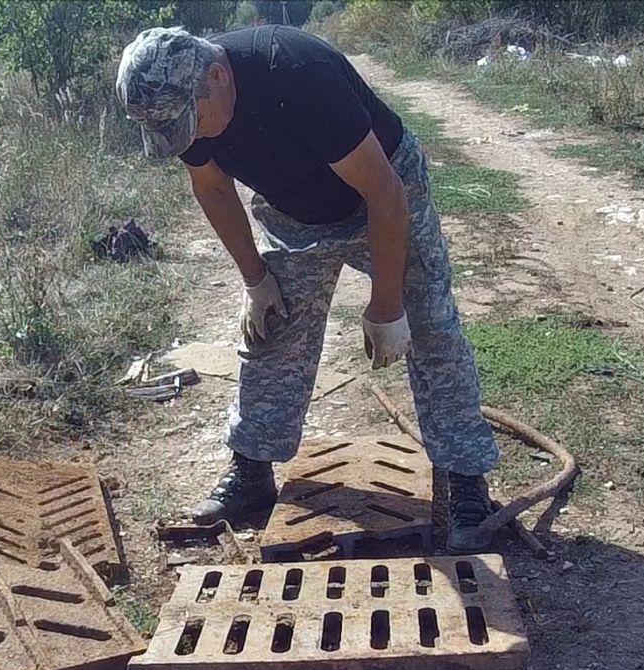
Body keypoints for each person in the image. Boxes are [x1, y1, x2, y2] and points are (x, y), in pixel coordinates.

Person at [116, 24, 500, 551]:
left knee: (431, 328)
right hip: (294, 214)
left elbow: (384, 191)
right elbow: (211, 186)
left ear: (219, 75)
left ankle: (466, 486)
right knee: (269, 331)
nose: (192, 136)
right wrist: (256, 278)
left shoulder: (298, 75)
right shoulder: (184, 104)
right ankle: (251, 475)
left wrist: (386, 305)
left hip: (382, 191)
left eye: (192, 121)